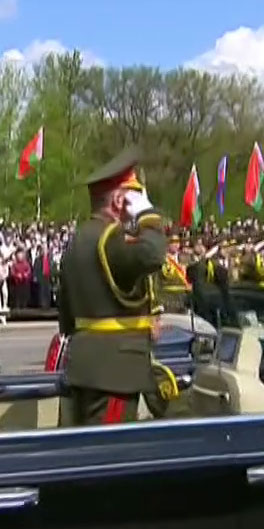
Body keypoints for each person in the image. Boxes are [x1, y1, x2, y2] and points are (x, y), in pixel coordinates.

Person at [56, 147, 166, 425]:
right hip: (116, 374)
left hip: (83, 365)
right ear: (120, 199)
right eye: (134, 196)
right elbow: (153, 254)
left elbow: (67, 318)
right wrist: (148, 216)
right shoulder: (111, 239)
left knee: (83, 454)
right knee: (108, 457)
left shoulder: (77, 240)